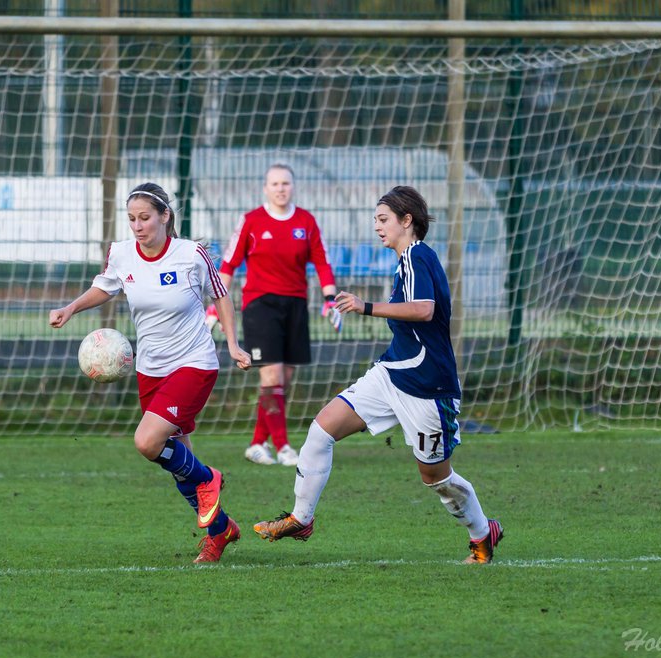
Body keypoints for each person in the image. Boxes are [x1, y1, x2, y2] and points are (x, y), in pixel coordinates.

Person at [252, 186, 503, 564]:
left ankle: (483, 533)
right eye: (375, 220)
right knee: (322, 429)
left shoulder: (418, 256)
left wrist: (364, 306)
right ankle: (301, 519)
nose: (377, 227)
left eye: (383, 219)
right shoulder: (405, 260)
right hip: (391, 373)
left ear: (407, 221)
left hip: (427, 388)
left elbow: (423, 310)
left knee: (436, 478)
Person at [50, 182, 252, 564]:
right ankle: (219, 530)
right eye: (131, 219)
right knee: (178, 459)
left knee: (147, 442)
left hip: (193, 362)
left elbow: (221, 295)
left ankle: (210, 478)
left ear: (164, 217)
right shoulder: (122, 254)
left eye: (145, 218)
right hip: (151, 368)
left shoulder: (190, 254)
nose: (138, 226)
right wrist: (71, 308)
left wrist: (232, 345)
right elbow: (105, 287)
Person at [218, 163, 339, 468]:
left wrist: (329, 298)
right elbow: (229, 265)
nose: (281, 188)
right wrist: (215, 305)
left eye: (285, 183)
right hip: (260, 306)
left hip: (295, 305)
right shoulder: (252, 221)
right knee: (270, 375)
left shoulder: (306, 221)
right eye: (275, 184)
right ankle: (284, 447)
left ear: (292, 187)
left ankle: (258, 443)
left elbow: (322, 262)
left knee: (284, 378)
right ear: (265, 188)